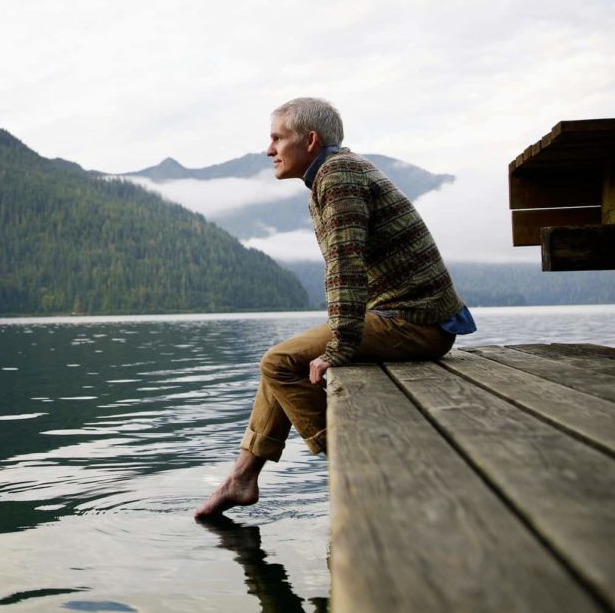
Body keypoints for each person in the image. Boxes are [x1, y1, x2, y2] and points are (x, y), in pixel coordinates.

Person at [194, 97, 475, 519]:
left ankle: (358, 463)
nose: (269, 150)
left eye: (277, 138)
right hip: (404, 317)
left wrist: (340, 346)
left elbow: (346, 267)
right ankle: (242, 478)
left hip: (416, 323)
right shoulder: (335, 173)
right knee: (284, 358)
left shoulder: (338, 176)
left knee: (278, 362)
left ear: (309, 140)